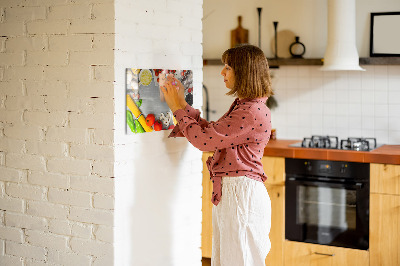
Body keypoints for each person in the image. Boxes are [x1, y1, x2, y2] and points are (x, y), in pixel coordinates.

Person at [161, 44, 273, 266]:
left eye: (228, 67)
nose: (222, 72)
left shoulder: (250, 111)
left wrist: (176, 108)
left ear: (244, 72)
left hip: (241, 195)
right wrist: (182, 104)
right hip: (236, 193)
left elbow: (204, 141)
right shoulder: (246, 106)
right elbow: (212, 133)